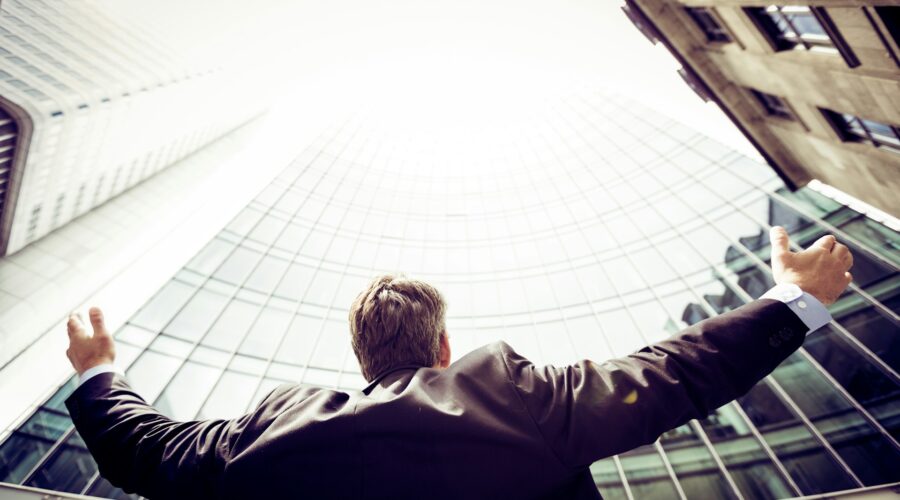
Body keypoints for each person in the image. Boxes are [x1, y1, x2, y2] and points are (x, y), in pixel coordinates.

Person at [64, 226, 852, 499]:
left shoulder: (268, 435)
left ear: (362, 361)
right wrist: (794, 300)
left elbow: (142, 450)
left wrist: (100, 371)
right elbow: (671, 373)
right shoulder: (512, 397)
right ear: (443, 349)